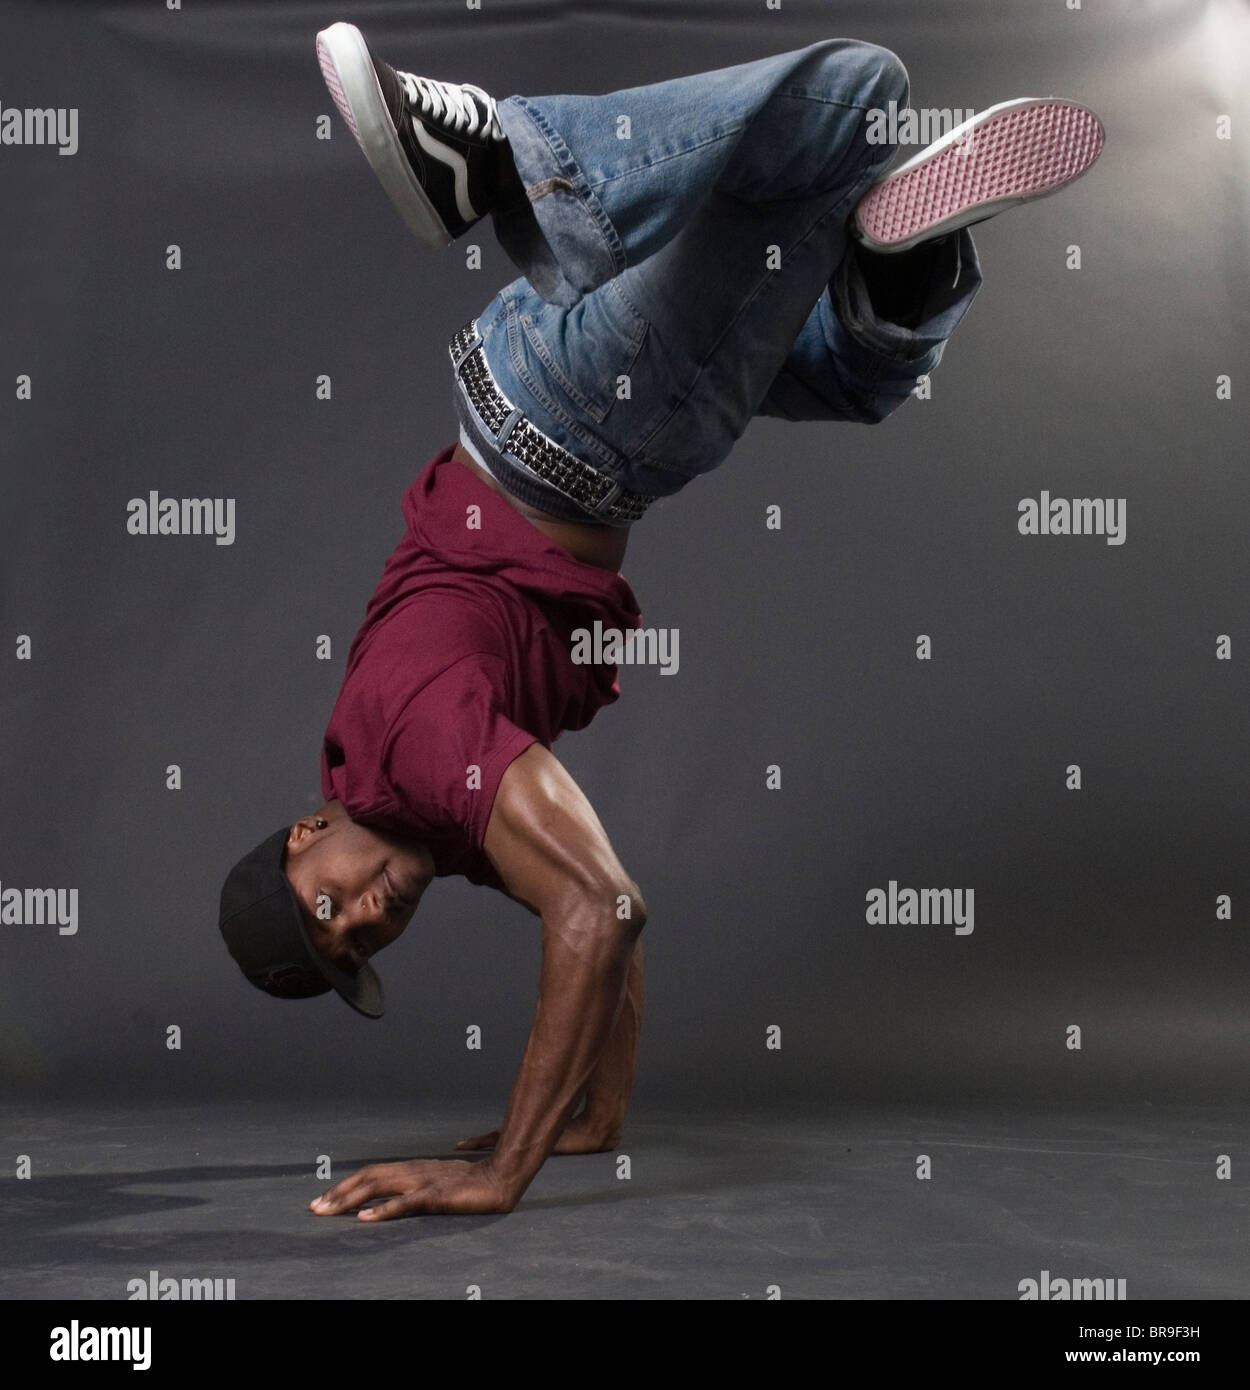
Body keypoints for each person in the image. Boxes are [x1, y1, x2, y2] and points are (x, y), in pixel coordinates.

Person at [218, 21, 1103, 1218]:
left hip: (582, 427)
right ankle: (896, 263)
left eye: (332, 902)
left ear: (308, 828)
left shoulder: (415, 743)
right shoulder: (429, 805)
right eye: (359, 947)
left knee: (854, 92)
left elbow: (600, 909)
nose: (371, 914)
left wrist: (497, 1174)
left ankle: (487, 155)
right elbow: (606, 911)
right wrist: (592, 1116)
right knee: (852, 364)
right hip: (542, 391)